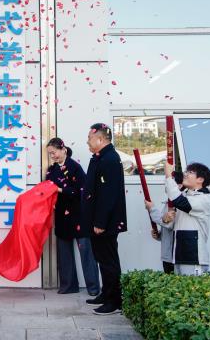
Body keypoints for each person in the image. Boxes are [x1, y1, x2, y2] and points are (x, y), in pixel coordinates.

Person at [45, 138, 100, 296]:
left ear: (63, 149)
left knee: (86, 253)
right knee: (64, 253)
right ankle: (68, 285)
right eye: (50, 154)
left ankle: (93, 288)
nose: (52, 156)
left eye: (54, 152)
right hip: (61, 215)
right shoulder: (51, 170)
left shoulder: (75, 167)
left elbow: (82, 190)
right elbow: (47, 189)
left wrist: (59, 190)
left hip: (79, 214)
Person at [83, 123, 127, 315]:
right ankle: (106, 293)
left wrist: (100, 222)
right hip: (98, 220)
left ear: (100, 139)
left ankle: (114, 301)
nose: (87, 142)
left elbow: (108, 195)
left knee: (109, 261)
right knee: (102, 258)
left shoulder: (110, 159)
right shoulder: (100, 157)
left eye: (90, 138)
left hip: (105, 222)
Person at [164, 162, 210, 276]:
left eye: (190, 172)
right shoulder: (186, 195)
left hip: (193, 257)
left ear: (200, 179)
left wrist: (168, 176)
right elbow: (173, 197)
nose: (185, 174)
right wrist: (165, 219)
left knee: (192, 287)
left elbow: (179, 201)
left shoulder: (205, 199)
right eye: (186, 171)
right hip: (178, 255)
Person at [144, 171, 183, 274]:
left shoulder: (179, 203)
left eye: (170, 182)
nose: (166, 185)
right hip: (167, 255)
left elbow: (169, 223)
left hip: (174, 256)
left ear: (179, 186)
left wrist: (152, 209)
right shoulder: (168, 203)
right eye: (166, 182)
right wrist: (159, 235)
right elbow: (168, 227)